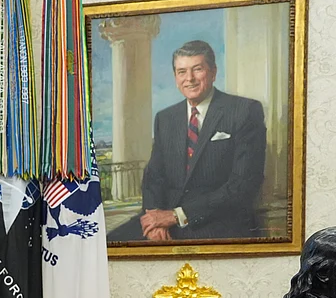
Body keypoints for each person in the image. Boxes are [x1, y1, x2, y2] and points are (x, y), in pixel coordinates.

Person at [110, 40, 266, 242]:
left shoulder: (244, 111)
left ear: (213, 72)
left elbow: (243, 185)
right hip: (165, 220)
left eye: (197, 69)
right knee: (108, 246)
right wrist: (154, 218)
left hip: (217, 221)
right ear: (175, 77)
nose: (189, 79)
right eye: (182, 72)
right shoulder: (166, 118)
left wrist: (176, 216)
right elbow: (154, 177)